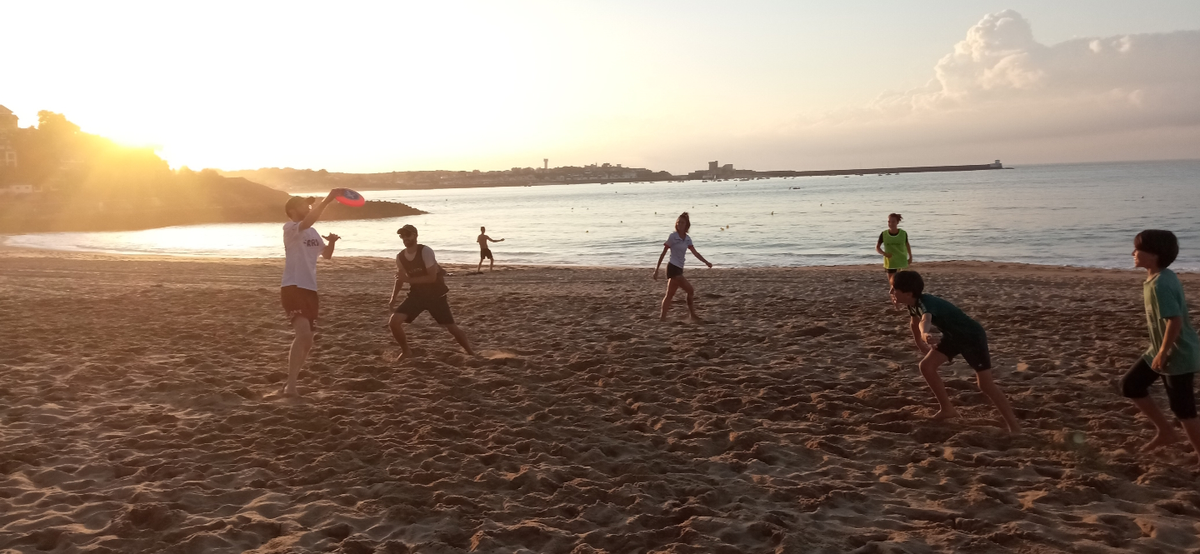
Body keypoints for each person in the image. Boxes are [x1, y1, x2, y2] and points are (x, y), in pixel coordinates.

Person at [890, 270, 1021, 434]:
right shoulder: (912, 303)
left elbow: (925, 320)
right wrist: (919, 343)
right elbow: (914, 322)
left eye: (894, 289)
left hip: (972, 337)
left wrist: (925, 334)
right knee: (927, 366)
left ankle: (1014, 427)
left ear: (908, 293)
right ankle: (947, 409)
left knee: (985, 384)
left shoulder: (925, 303)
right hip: (953, 337)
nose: (892, 293)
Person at [1120, 230, 1200, 466]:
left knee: (1183, 408)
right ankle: (1165, 432)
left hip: (1177, 353)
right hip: (1160, 349)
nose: (1132, 253)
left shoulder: (1160, 284)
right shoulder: (1160, 276)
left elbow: (1174, 320)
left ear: (1154, 255)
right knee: (1131, 385)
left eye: (1137, 249)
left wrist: (1164, 352)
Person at [280, 189, 344, 397]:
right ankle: (290, 385)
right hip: (292, 287)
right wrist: (327, 200)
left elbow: (326, 255)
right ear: (292, 210)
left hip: (310, 289)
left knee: (307, 341)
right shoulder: (290, 228)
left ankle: (292, 382)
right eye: (304, 204)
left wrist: (332, 242)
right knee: (303, 334)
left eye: (310, 204)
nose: (308, 206)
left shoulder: (313, 233)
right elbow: (307, 222)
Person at [389, 224, 475, 361]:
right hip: (416, 296)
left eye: (408, 235)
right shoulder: (400, 257)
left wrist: (408, 279)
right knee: (394, 322)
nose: (405, 238)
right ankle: (406, 351)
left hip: (435, 296)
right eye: (402, 236)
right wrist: (393, 298)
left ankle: (470, 352)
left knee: (452, 328)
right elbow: (400, 279)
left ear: (415, 235)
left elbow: (431, 277)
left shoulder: (425, 251)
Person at [653, 212, 713, 321]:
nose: (680, 224)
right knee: (690, 290)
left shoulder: (688, 239)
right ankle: (692, 315)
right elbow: (663, 253)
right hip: (672, 268)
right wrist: (656, 270)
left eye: (682, 222)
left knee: (669, 295)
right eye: (678, 222)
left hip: (679, 269)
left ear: (687, 225)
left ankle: (662, 318)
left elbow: (696, 253)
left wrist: (706, 262)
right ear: (676, 224)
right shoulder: (673, 236)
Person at [875, 213, 912, 282]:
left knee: (901, 284)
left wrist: (910, 257)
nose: (891, 224)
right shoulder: (884, 234)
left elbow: (907, 245)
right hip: (890, 263)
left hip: (902, 262)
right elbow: (877, 247)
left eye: (893, 222)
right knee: (893, 284)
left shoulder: (903, 233)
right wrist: (884, 253)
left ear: (897, 222)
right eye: (889, 221)